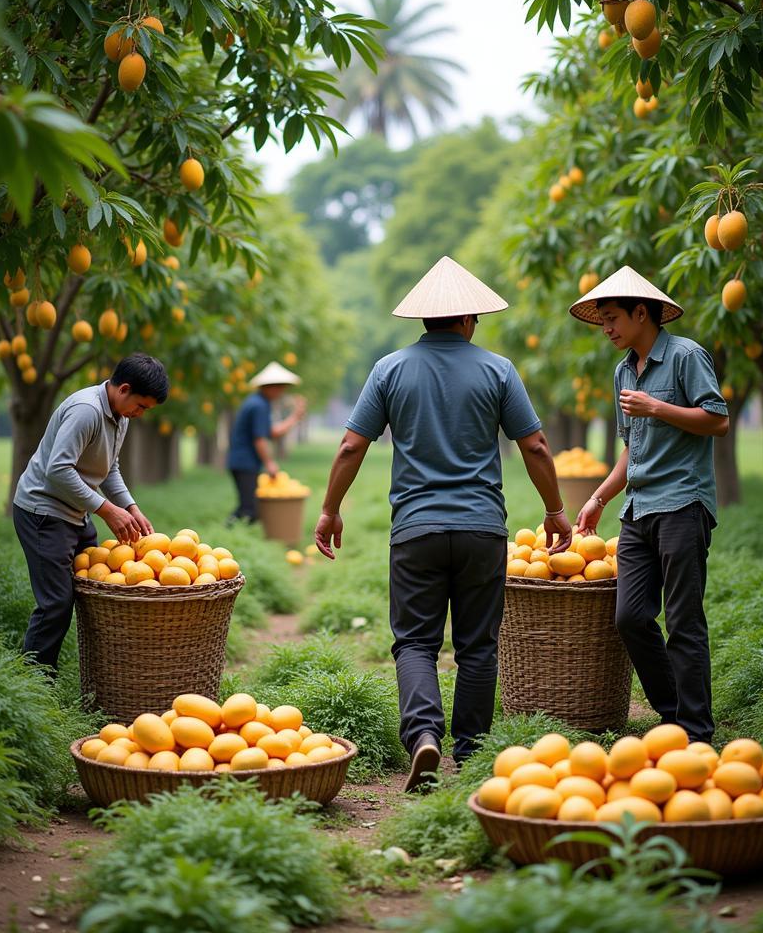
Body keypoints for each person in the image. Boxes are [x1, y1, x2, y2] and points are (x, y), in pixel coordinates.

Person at [314, 256, 574, 791]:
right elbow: (536, 445)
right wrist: (553, 509)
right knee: (478, 646)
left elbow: (350, 445)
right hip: (482, 528)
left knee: (415, 643)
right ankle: (473, 751)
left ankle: (424, 735)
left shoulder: (389, 369)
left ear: (423, 319)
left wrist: (330, 509)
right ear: (469, 318)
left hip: (416, 529)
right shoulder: (498, 369)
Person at [571, 266, 729, 745]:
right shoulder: (622, 370)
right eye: (602, 321)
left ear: (643, 313)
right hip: (638, 510)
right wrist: (599, 497)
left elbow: (717, 420)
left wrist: (658, 407)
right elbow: (630, 447)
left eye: (613, 318)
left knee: (683, 620)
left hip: (683, 503)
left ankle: (696, 733)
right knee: (631, 617)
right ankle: (672, 711)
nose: (607, 329)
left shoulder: (685, 357)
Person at [13, 353, 169, 673]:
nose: (140, 414)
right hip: (44, 512)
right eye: (141, 406)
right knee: (56, 602)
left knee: (96, 588)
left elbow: (108, 468)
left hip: (75, 510)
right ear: (124, 389)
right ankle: (32, 682)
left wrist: (130, 507)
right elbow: (58, 469)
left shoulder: (120, 417)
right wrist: (106, 510)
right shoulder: (86, 411)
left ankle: (99, 673)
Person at [226, 361, 306, 523]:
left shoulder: (259, 402)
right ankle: (229, 533)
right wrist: (269, 462)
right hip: (244, 461)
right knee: (249, 509)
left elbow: (271, 432)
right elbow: (260, 439)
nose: (282, 391)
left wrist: (294, 417)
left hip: (243, 461)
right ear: (270, 387)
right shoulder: (259, 406)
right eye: (280, 387)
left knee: (248, 505)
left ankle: (235, 533)